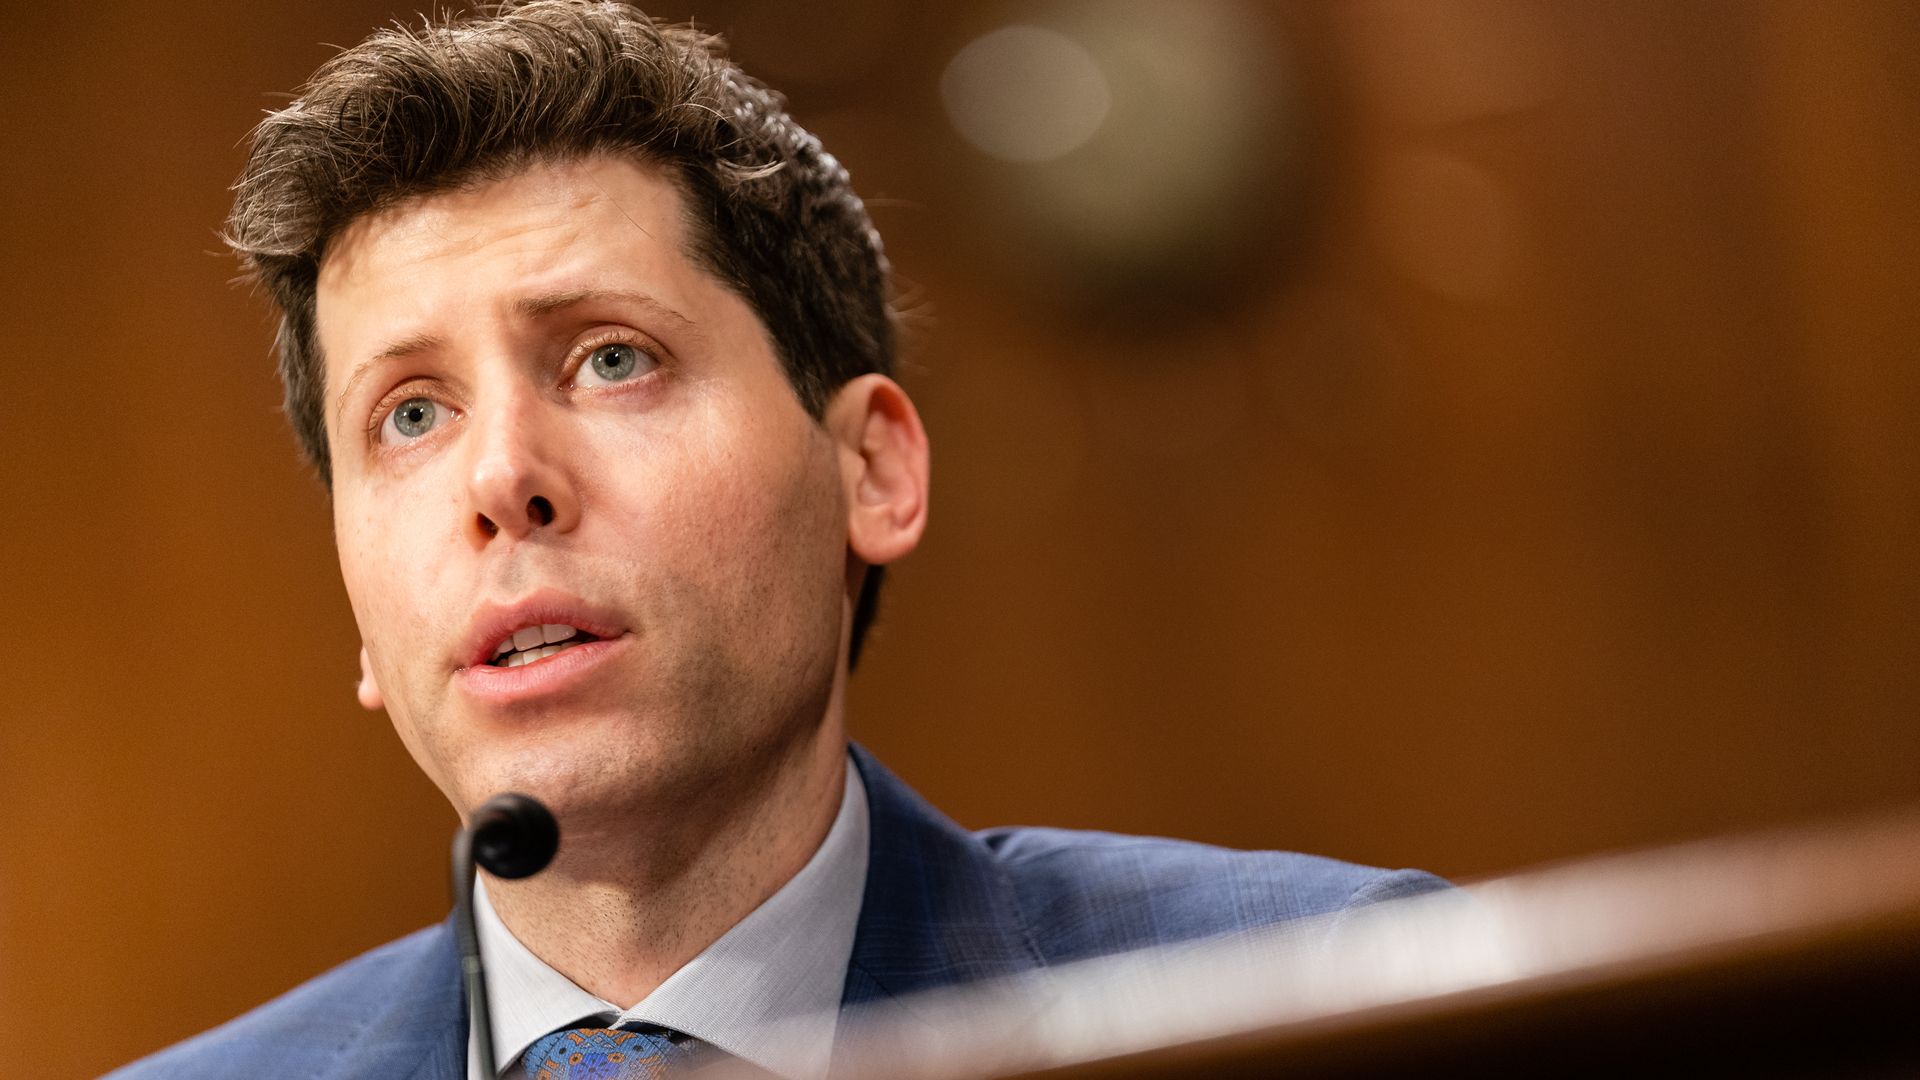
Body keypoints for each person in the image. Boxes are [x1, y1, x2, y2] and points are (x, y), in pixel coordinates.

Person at [110, 3, 1446, 1077]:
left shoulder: (1341, 1008)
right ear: (356, 606)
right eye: (408, 414)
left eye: (612, 358)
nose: (502, 474)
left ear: (869, 467)